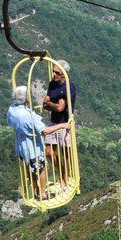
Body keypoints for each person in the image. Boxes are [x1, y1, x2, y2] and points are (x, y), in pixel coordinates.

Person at [7, 85, 69, 200]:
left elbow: (10, 122)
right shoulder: (28, 115)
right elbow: (45, 131)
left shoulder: (12, 110)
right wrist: (62, 125)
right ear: (26, 98)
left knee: (30, 169)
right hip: (33, 148)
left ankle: (36, 190)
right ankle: (42, 194)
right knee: (43, 168)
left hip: (20, 146)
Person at [42, 59, 76, 189]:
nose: (54, 74)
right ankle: (62, 175)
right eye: (53, 71)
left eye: (57, 72)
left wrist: (49, 104)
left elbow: (59, 108)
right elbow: (46, 105)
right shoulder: (53, 84)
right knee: (49, 151)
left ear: (63, 73)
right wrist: (51, 104)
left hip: (65, 122)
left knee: (65, 153)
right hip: (54, 121)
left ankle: (64, 179)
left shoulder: (68, 86)